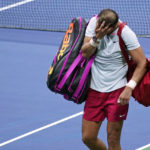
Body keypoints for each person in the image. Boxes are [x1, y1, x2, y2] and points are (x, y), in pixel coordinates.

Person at [81, 9, 147, 150]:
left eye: (106, 29)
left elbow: (142, 63)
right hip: (94, 90)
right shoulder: (94, 24)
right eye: (99, 26)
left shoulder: (126, 33)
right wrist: (96, 38)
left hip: (117, 92)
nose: (101, 29)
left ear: (113, 27)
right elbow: (85, 53)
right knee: (88, 137)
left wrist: (129, 87)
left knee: (113, 139)